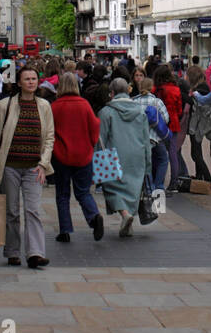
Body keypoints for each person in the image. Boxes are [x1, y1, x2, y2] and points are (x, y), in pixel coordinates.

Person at [0, 65, 56, 268]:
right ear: (19, 83)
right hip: (9, 166)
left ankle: (35, 253)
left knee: (33, 210)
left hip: (34, 167)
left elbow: (50, 137)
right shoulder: (5, 105)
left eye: (34, 79)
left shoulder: (44, 105)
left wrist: (44, 163)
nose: (31, 82)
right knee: (12, 211)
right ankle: (12, 251)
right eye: (27, 79)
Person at [96, 78, 156, 237]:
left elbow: (100, 139)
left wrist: (98, 163)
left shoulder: (106, 112)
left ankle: (124, 215)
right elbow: (146, 138)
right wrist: (148, 163)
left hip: (113, 153)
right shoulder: (140, 112)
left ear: (112, 93)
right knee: (133, 187)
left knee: (111, 188)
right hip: (137, 154)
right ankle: (128, 223)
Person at [49, 72, 104, 242]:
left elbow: (49, 131)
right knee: (83, 192)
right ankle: (94, 216)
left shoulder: (55, 106)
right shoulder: (84, 104)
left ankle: (65, 230)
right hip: (83, 155)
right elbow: (95, 127)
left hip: (61, 156)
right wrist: (89, 144)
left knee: (62, 194)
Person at [151, 65, 183, 188]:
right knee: (173, 153)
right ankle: (174, 182)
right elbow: (179, 109)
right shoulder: (175, 89)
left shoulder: (155, 90)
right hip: (173, 123)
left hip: (158, 124)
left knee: (158, 154)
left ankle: (158, 180)